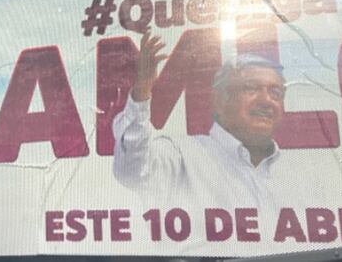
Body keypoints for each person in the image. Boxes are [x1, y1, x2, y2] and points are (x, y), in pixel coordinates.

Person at [112, 30, 324, 220]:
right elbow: (132, 171)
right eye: (251, 88)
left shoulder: (301, 173)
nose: (266, 101)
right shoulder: (182, 155)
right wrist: (141, 93)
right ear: (219, 100)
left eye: (275, 93)